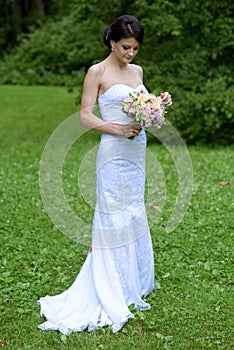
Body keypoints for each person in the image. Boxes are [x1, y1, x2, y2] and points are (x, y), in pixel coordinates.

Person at [37, 15, 172, 334]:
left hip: (136, 148)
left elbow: (143, 106)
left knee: (134, 209)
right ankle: (108, 286)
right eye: (126, 47)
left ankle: (132, 283)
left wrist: (157, 106)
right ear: (112, 42)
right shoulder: (96, 72)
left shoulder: (137, 72)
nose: (131, 54)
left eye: (136, 48)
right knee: (112, 213)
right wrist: (117, 129)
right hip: (113, 149)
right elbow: (85, 115)